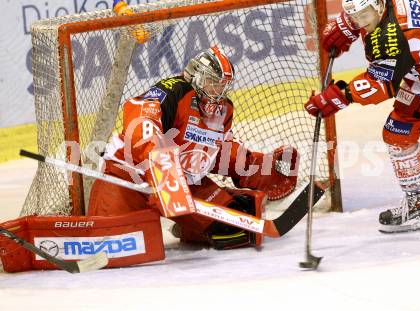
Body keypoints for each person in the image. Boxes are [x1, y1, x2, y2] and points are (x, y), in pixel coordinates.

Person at [88, 45, 299, 249]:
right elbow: (142, 122)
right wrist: (162, 164)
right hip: (130, 175)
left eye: (223, 86)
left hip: (182, 183)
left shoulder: (223, 110)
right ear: (195, 76)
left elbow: (220, 150)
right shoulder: (174, 91)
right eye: (212, 82)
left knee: (232, 230)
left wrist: (258, 169)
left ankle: (188, 228)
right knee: (116, 242)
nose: (218, 90)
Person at [304, 0, 420, 233]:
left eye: (363, 16)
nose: (359, 22)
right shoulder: (384, 8)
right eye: (355, 16)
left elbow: (382, 85)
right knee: (397, 133)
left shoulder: (393, 37)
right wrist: (348, 24)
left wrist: (338, 96)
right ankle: (418, 204)